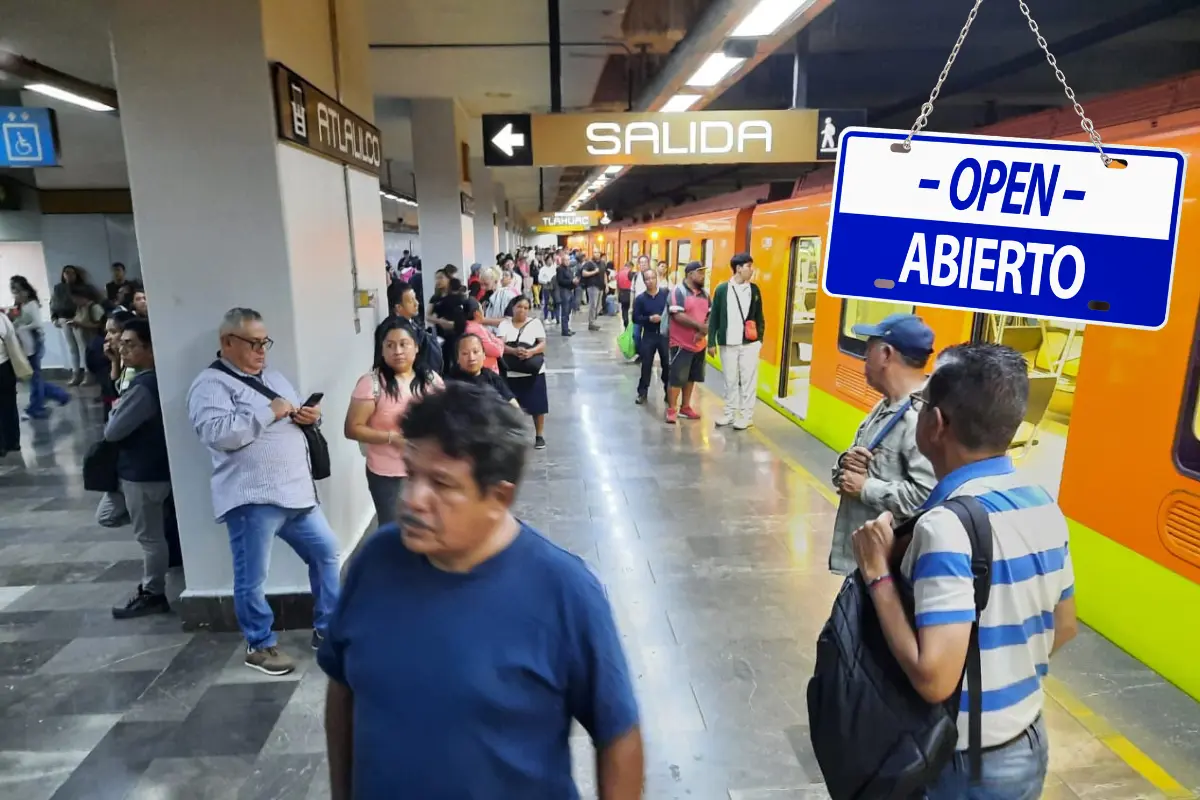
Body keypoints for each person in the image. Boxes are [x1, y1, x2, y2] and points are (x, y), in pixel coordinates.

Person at [318, 381, 644, 798]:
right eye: (412, 472)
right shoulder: (375, 562)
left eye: (441, 483)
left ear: (498, 497)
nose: (413, 499)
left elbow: (617, 734)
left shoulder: (564, 591)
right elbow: (342, 689)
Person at [851, 343, 1077, 799]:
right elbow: (1065, 626)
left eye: (922, 404)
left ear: (937, 425)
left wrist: (877, 573)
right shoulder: (1042, 502)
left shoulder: (945, 528)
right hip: (1027, 740)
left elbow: (934, 678)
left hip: (966, 759)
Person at [186, 308, 340, 676]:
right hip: (252, 498)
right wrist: (266, 413)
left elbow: (291, 415)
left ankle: (329, 628)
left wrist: (310, 417)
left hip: (297, 495)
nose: (261, 350)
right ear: (227, 342)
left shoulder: (275, 377)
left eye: (264, 342)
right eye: (253, 343)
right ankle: (260, 644)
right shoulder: (210, 385)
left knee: (327, 554)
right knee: (252, 576)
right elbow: (217, 435)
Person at [830, 314, 938, 576]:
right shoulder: (887, 405)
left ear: (886, 354)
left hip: (888, 571)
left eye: (869, 349)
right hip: (865, 563)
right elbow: (853, 471)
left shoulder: (919, 419)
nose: (864, 358)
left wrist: (866, 488)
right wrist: (846, 464)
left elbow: (927, 498)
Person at [103, 318, 175, 619]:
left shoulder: (145, 386)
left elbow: (113, 431)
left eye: (130, 344)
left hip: (143, 473)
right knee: (113, 516)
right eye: (123, 342)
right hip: (144, 470)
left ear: (150, 348)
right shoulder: (153, 379)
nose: (123, 348)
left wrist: (116, 410)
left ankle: (153, 592)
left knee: (149, 538)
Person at [345, 318, 443, 527]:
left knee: (429, 528)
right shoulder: (371, 384)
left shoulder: (431, 379)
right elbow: (352, 429)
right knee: (394, 532)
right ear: (381, 350)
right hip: (389, 474)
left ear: (416, 347)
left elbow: (445, 416)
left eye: (403, 344)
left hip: (427, 468)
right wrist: (392, 438)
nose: (397, 351)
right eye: (390, 345)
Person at [707, 253, 766, 430]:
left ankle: (747, 416)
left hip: (749, 343)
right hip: (728, 343)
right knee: (730, 380)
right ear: (738, 268)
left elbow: (759, 317)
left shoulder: (754, 290)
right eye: (749, 266)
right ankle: (729, 413)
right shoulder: (722, 289)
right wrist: (711, 342)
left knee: (748, 380)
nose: (752, 270)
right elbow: (714, 317)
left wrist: (759, 340)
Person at [10, 276, 70, 419]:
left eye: (19, 291)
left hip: (34, 344)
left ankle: (36, 407)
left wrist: (21, 327)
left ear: (26, 291)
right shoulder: (21, 306)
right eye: (14, 291)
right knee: (34, 378)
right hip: (26, 344)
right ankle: (60, 396)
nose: (17, 295)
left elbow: (37, 324)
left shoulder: (31, 305)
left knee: (34, 378)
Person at [497, 295, 549, 449]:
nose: (522, 310)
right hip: (511, 372)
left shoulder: (535, 323)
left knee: (538, 406)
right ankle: (513, 434)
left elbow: (542, 343)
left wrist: (531, 352)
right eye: (519, 306)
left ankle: (539, 435)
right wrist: (513, 351)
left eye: (526, 308)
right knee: (510, 405)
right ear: (513, 307)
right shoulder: (504, 324)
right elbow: (500, 344)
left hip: (533, 372)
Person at [665, 261, 710, 424]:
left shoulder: (705, 294)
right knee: (677, 377)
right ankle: (671, 409)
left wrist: (704, 330)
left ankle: (685, 407)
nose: (702, 276)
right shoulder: (678, 291)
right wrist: (699, 326)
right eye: (700, 273)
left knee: (691, 377)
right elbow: (677, 315)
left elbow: (709, 314)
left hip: (698, 344)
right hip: (680, 343)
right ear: (690, 274)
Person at [386, 280, 442, 375]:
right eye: (411, 300)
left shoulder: (412, 322)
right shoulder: (394, 331)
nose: (416, 303)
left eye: (415, 298)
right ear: (398, 307)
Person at [632, 267, 669, 406]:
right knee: (646, 364)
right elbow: (635, 318)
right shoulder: (640, 299)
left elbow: (672, 312)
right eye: (647, 279)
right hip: (648, 335)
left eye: (653, 278)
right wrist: (649, 319)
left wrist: (663, 319)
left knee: (666, 364)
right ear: (644, 281)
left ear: (657, 279)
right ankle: (642, 392)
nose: (650, 281)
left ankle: (668, 391)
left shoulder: (666, 295)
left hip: (664, 335)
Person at [449, 334, 518, 407]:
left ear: (484, 354)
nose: (471, 358)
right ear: (457, 359)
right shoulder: (450, 385)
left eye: (475, 352)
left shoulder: (492, 377)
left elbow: (513, 405)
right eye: (465, 353)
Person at [50, 265, 90, 386]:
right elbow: (53, 303)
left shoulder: (82, 288)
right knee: (72, 348)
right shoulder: (58, 288)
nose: (69, 275)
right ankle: (76, 373)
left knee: (83, 346)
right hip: (63, 317)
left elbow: (86, 303)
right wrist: (54, 318)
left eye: (71, 273)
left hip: (78, 318)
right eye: (66, 273)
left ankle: (88, 374)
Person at [461, 298, 505, 373]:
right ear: (476, 313)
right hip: (486, 371)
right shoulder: (475, 329)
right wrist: (501, 341)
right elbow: (496, 351)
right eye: (481, 308)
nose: (483, 311)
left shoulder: (469, 326)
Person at [0, 311, 22, 457]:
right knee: (9, 405)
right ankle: (13, 441)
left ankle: (1, 445)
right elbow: (11, 337)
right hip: (6, 366)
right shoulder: (2, 317)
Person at [554, 250, 577, 336]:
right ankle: (564, 330)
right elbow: (560, 281)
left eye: (568, 260)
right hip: (564, 292)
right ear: (562, 261)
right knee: (565, 311)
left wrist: (574, 283)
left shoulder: (569, 269)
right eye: (566, 260)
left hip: (570, 291)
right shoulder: (560, 269)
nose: (568, 262)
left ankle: (567, 328)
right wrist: (571, 281)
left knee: (568, 312)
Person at [581, 257, 604, 331]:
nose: (596, 254)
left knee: (599, 306)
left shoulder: (602, 263)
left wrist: (606, 285)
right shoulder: (589, 263)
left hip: (600, 287)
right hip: (592, 286)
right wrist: (594, 272)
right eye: (595, 252)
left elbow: (605, 274)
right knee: (593, 305)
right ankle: (591, 323)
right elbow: (584, 273)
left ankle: (594, 321)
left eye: (598, 253)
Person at [616, 260, 635, 327]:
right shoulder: (630, 273)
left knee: (624, 309)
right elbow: (633, 284)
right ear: (630, 266)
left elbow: (617, 284)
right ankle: (631, 323)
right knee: (631, 308)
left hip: (621, 292)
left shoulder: (619, 272)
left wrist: (618, 293)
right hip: (629, 293)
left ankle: (625, 322)